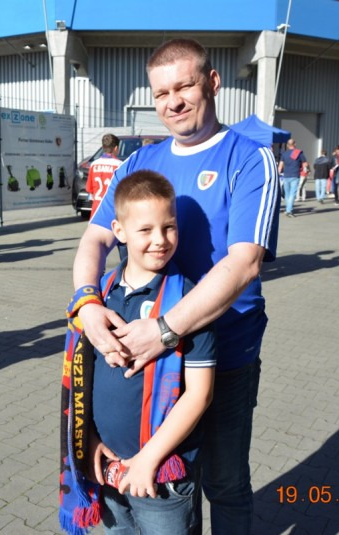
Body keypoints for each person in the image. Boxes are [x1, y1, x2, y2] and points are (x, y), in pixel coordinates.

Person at [72, 38, 279, 534]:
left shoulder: (249, 158)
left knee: (224, 484)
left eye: (184, 87)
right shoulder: (138, 163)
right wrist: (86, 302)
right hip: (145, 361)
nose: (173, 102)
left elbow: (244, 264)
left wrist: (164, 330)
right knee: (159, 483)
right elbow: (96, 237)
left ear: (212, 83)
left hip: (222, 358)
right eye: (161, 93)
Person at [62, 170, 217, 534]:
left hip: (161, 475)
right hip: (108, 467)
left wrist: (148, 460)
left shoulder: (190, 303)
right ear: (119, 231)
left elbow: (200, 394)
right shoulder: (99, 297)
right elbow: (84, 382)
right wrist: (90, 440)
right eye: (145, 229)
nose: (160, 240)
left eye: (169, 227)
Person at [86, 133, 122, 219]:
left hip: (96, 211)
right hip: (112, 211)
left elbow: (89, 189)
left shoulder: (94, 164)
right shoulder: (119, 165)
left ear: (103, 147)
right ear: (116, 148)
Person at [279, 138, 308, 217]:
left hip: (286, 176)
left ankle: (288, 209)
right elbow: (305, 163)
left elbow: (280, 165)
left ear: (287, 145)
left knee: (287, 194)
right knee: (292, 194)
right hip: (295, 175)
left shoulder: (284, 154)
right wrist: (305, 170)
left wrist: (278, 173)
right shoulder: (299, 153)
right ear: (294, 144)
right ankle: (289, 210)